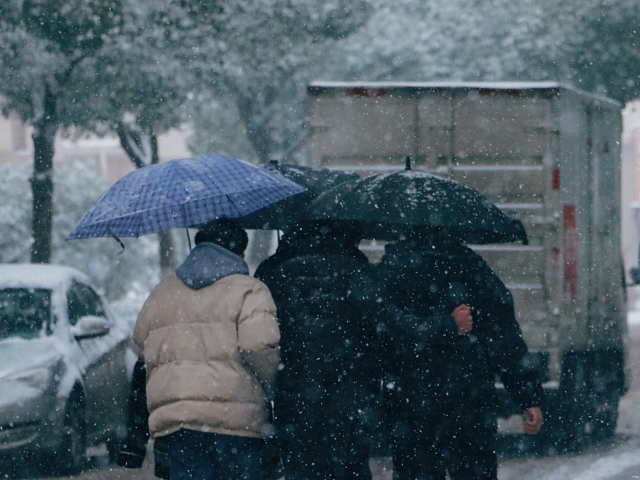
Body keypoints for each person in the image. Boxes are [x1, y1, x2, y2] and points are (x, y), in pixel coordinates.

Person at [377, 228, 544, 480]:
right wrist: (527, 397)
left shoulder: (391, 271)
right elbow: (504, 339)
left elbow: (382, 333)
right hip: (468, 400)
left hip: (412, 404)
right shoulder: (471, 268)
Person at [133, 219, 280, 480]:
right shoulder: (250, 290)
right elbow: (258, 346)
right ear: (240, 254)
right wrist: (272, 385)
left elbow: (142, 347)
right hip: (239, 422)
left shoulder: (163, 292)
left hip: (180, 422)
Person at [256, 221, 380, 480]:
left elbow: (261, 335)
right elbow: (378, 334)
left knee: (302, 468)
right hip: (351, 398)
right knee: (350, 467)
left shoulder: (273, 271)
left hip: (295, 393)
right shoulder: (360, 271)